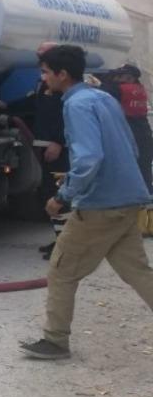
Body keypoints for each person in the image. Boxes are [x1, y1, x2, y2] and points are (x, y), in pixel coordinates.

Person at [20, 45, 153, 360]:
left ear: (62, 74)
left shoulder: (76, 105)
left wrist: (62, 196)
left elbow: (89, 157)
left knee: (61, 270)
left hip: (99, 206)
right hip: (127, 200)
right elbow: (132, 146)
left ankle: (55, 341)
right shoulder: (102, 98)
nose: (43, 78)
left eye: (45, 72)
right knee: (138, 272)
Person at [31, 41, 68, 259]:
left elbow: (66, 116)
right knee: (48, 193)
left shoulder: (63, 86)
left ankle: (65, 246)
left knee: (59, 195)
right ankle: (60, 239)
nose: (40, 61)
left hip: (59, 149)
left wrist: (58, 141)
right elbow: (36, 104)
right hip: (46, 145)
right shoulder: (45, 82)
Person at [113, 63, 153, 194]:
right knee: (145, 170)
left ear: (130, 78)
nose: (117, 79)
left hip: (131, 132)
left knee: (130, 170)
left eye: (120, 76)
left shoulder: (122, 89)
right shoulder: (140, 88)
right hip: (145, 132)